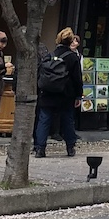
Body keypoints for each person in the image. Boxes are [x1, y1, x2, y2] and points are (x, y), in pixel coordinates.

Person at [34, 27, 83, 158]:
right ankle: (70, 147)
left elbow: (40, 74)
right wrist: (78, 95)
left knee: (44, 120)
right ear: (70, 41)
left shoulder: (49, 55)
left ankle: (40, 148)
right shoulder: (72, 57)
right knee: (67, 120)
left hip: (48, 93)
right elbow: (77, 79)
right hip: (65, 93)